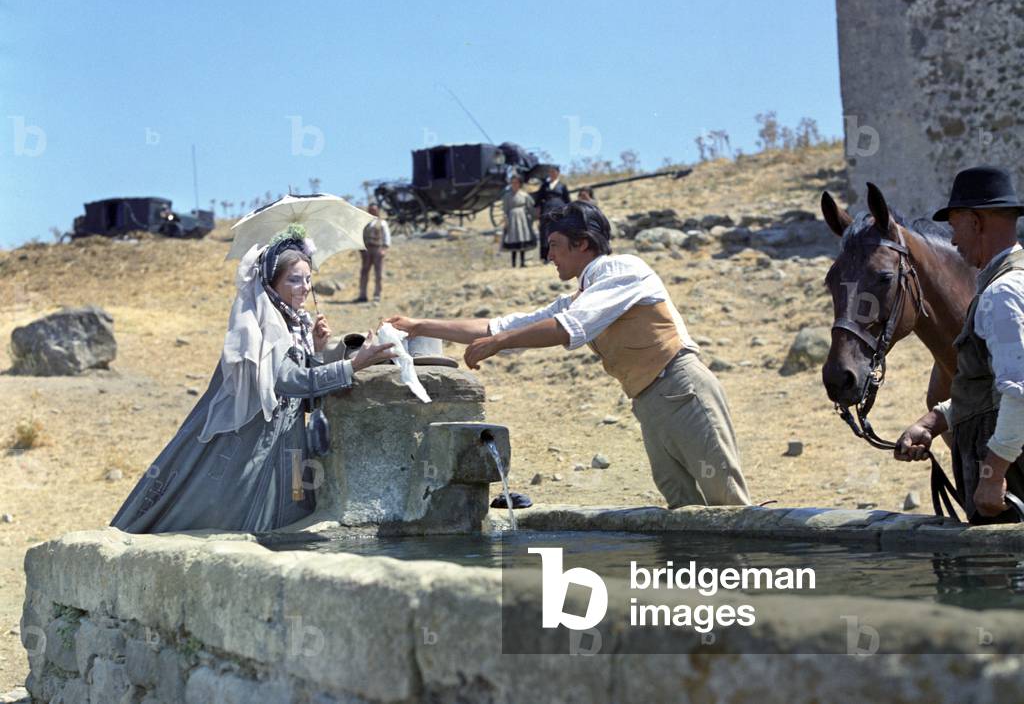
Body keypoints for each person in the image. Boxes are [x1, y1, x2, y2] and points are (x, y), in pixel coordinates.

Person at [388, 201, 751, 508]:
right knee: (681, 504)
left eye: (555, 245)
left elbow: (568, 327)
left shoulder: (620, 269)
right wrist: (420, 326)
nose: (549, 256)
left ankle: (750, 583)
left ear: (583, 244)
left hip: (681, 388)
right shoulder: (583, 293)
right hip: (649, 400)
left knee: (726, 501)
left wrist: (500, 343)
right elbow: (500, 325)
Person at [110, 224, 394, 534]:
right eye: (294, 280)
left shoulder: (296, 323)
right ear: (271, 283)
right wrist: (353, 365)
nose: (305, 288)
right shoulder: (261, 326)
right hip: (254, 447)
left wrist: (317, 349)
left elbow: (308, 400)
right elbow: (290, 382)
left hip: (291, 446)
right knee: (229, 518)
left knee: (293, 514)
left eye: (309, 279)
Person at [895, 166, 1024, 523]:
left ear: (975, 222)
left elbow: (1019, 392)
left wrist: (993, 473)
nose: (953, 241)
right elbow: (996, 389)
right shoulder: (1011, 286)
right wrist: (936, 420)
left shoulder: (1002, 294)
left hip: (1011, 486)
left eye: (954, 228)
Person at [533, 165, 571, 262]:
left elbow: (567, 200)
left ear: (558, 173)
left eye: (554, 172)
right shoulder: (544, 186)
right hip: (546, 211)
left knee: (559, 232)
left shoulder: (562, 186)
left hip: (559, 211)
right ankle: (545, 257)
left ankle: (561, 255)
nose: (552, 174)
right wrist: (537, 212)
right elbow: (538, 200)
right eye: (550, 172)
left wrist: (568, 212)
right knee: (545, 233)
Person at [357, 204, 391, 303]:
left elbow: (386, 237)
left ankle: (377, 294)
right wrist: (361, 249)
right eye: (370, 210)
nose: (372, 212)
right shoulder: (365, 223)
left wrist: (384, 249)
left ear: (377, 211)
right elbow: (360, 236)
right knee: (364, 272)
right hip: (366, 250)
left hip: (377, 249)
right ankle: (362, 294)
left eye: (374, 210)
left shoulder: (382, 223)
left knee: (378, 273)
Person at [501, 175, 537, 268]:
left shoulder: (524, 195)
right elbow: (505, 209)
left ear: (520, 184)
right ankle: (513, 263)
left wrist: (533, 217)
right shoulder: (507, 196)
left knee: (522, 237)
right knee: (513, 238)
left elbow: (530, 206)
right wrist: (505, 219)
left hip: (522, 218)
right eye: (512, 183)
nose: (514, 184)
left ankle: (522, 262)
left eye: (516, 182)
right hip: (512, 218)